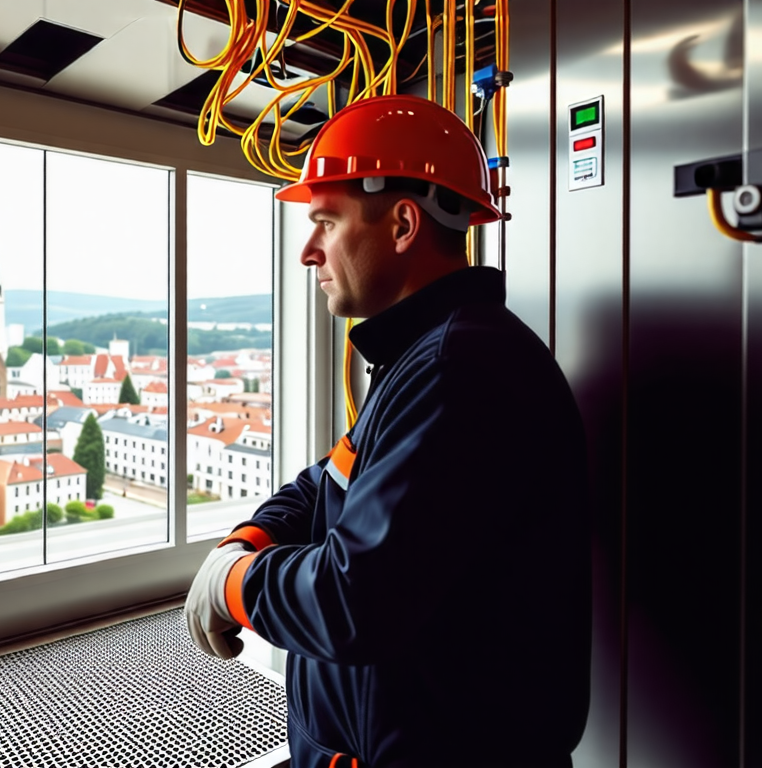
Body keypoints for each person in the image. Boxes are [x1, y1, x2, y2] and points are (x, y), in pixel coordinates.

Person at [184, 94, 591, 768]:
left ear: (402, 223)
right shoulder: (429, 354)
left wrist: (237, 585)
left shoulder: (459, 368)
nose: (308, 253)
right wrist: (249, 540)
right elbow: (331, 479)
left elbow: (356, 600)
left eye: (325, 223)